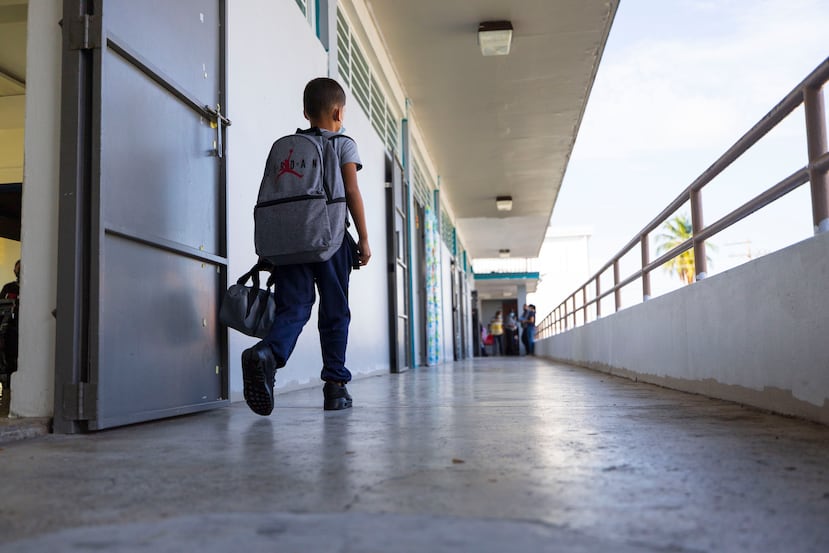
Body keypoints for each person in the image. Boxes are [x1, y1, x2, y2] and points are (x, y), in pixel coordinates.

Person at [241, 78, 371, 415]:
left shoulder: (290, 148)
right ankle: (335, 387)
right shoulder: (344, 143)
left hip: (291, 242)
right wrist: (365, 238)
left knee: (294, 308)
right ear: (339, 111)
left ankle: (268, 353)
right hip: (330, 239)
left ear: (306, 112)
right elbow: (352, 191)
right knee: (335, 311)